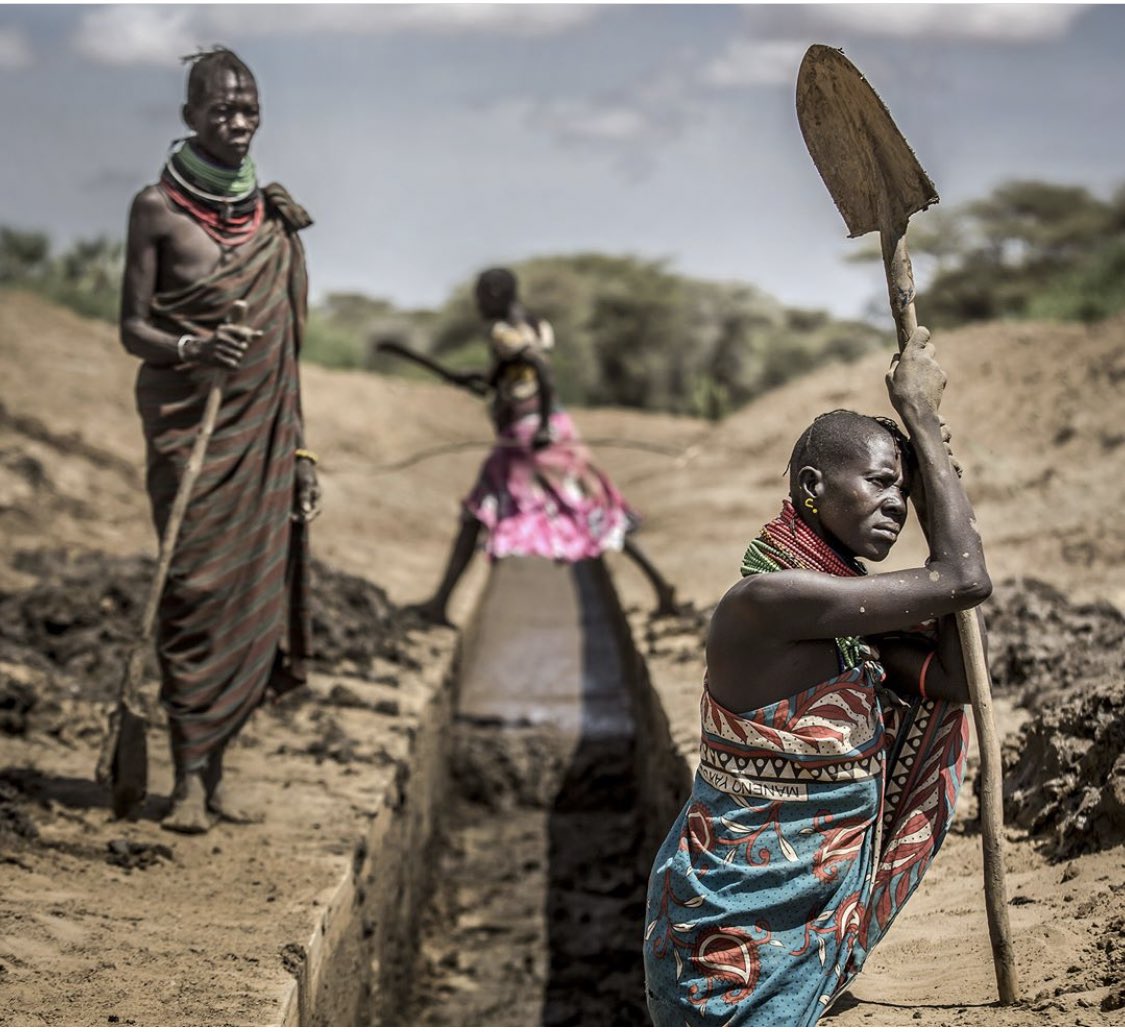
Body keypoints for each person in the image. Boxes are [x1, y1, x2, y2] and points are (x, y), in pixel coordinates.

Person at [642, 326, 990, 1025]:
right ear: (811, 487)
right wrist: (920, 420)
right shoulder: (772, 603)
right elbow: (961, 579)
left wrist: (929, 486)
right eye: (879, 482)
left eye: (904, 489)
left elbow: (950, 680)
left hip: (805, 913)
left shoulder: (845, 628)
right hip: (738, 921)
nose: (894, 502)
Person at [119, 47, 318, 834]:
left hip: (264, 436)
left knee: (250, 598)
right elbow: (132, 328)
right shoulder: (154, 210)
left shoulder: (275, 220)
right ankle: (184, 779)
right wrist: (191, 349)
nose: (237, 122)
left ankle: (217, 772)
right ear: (189, 117)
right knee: (194, 590)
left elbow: (290, 355)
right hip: (189, 431)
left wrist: (301, 451)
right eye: (220, 109)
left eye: (248, 108)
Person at [408, 266, 678, 625]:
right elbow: (521, 373)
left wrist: (542, 427)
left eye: (479, 296)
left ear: (493, 293)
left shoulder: (502, 332)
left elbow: (540, 371)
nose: (477, 305)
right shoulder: (534, 325)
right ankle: (661, 587)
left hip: (528, 434)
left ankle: (440, 603)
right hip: (550, 428)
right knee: (587, 508)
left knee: (478, 511)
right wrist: (481, 379)